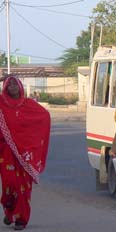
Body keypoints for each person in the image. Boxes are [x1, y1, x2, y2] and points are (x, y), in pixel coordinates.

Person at [0, 75, 50, 230]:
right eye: (10, 85)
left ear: (20, 86)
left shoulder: (29, 104)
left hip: (25, 155)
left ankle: (21, 219)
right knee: (9, 185)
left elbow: (44, 116)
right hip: (6, 152)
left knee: (23, 187)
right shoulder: (1, 104)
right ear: (6, 87)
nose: (13, 87)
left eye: (15, 84)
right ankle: (10, 213)